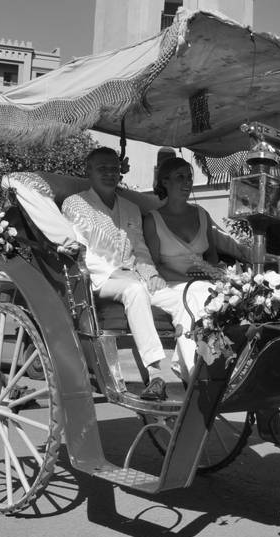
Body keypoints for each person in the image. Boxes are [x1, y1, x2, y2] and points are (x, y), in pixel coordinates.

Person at [61, 147, 207, 398]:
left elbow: (140, 248)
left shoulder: (129, 208)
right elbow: (80, 250)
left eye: (114, 169)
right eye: (102, 169)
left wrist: (151, 274)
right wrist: (118, 275)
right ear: (89, 171)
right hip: (100, 279)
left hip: (135, 276)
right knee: (134, 289)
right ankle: (156, 372)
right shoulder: (75, 203)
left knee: (185, 295)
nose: (109, 173)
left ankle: (190, 367)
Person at [144, 156, 225, 283]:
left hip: (203, 284)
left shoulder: (203, 215)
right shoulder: (152, 220)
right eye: (180, 177)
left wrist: (212, 276)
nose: (187, 182)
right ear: (165, 182)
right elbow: (155, 265)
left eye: (189, 177)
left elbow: (211, 256)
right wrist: (190, 281)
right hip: (169, 286)